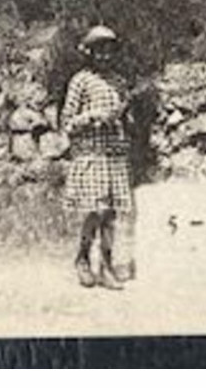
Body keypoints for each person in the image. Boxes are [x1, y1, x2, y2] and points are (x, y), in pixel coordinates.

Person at [61, 25, 135, 290]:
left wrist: (124, 116)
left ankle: (105, 267)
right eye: (99, 51)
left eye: (109, 51)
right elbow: (67, 122)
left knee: (111, 214)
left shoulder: (119, 82)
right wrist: (92, 117)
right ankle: (82, 258)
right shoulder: (81, 80)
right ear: (90, 53)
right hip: (91, 154)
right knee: (95, 212)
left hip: (114, 153)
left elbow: (127, 119)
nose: (105, 56)